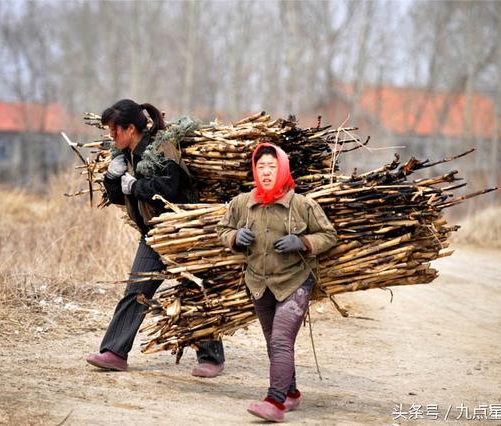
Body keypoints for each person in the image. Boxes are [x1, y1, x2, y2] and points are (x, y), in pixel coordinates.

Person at [86, 99, 225, 378]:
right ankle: (114, 352)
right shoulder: (125, 155)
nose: (112, 136)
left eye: (115, 131)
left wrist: (137, 185)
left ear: (131, 128)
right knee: (136, 290)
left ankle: (211, 358)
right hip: (152, 234)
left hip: (183, 231)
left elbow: (171, 188)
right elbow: (116, 197)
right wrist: (113, 178)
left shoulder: (163, 147)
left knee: (194, 290)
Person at [217, 143, 337, 421]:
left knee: (281, 339)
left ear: (282, 169)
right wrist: (234, 238)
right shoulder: (242, 204)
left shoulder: (302, 205)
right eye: (261, 167)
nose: (267, 172)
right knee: (274, 341)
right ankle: (292, 393)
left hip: (295, 282)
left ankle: (275, 400)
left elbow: (329, 235)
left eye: (272, 166)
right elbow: (221, 230)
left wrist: (303, 242)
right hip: (259, 283)